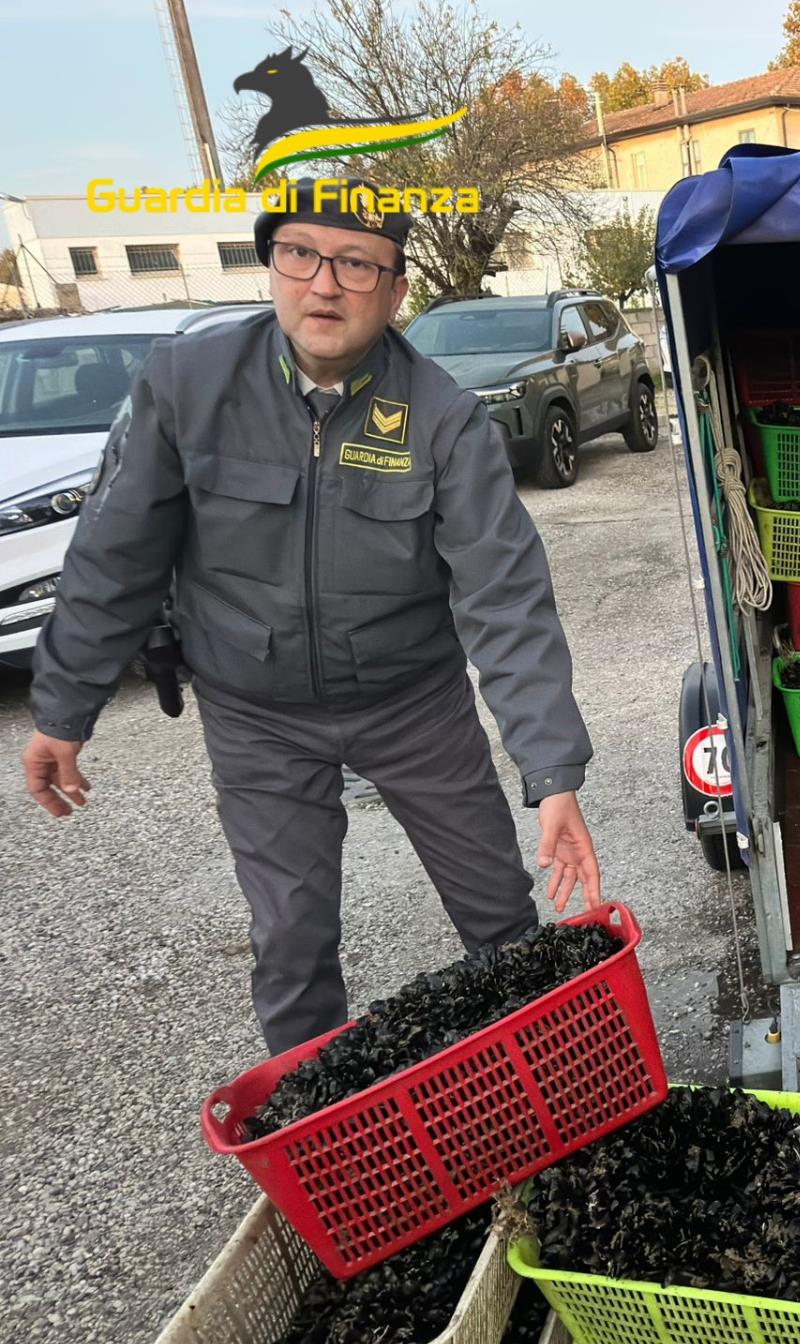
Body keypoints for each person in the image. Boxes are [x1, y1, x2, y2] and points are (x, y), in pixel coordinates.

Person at [21, 180, 602, 1055]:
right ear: (271, 266)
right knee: (290, 941)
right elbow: (116, 553)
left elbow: (505, 597)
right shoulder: (187, 385)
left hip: (414, 707)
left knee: (499, 914)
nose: (324, 284)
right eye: (300, 254)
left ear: (396, 291)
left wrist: (553, 775)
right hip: (257, 716)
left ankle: (551, 1083)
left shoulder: (444, 420)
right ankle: (320, 1121)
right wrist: (65, 709)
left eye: (357, 265)